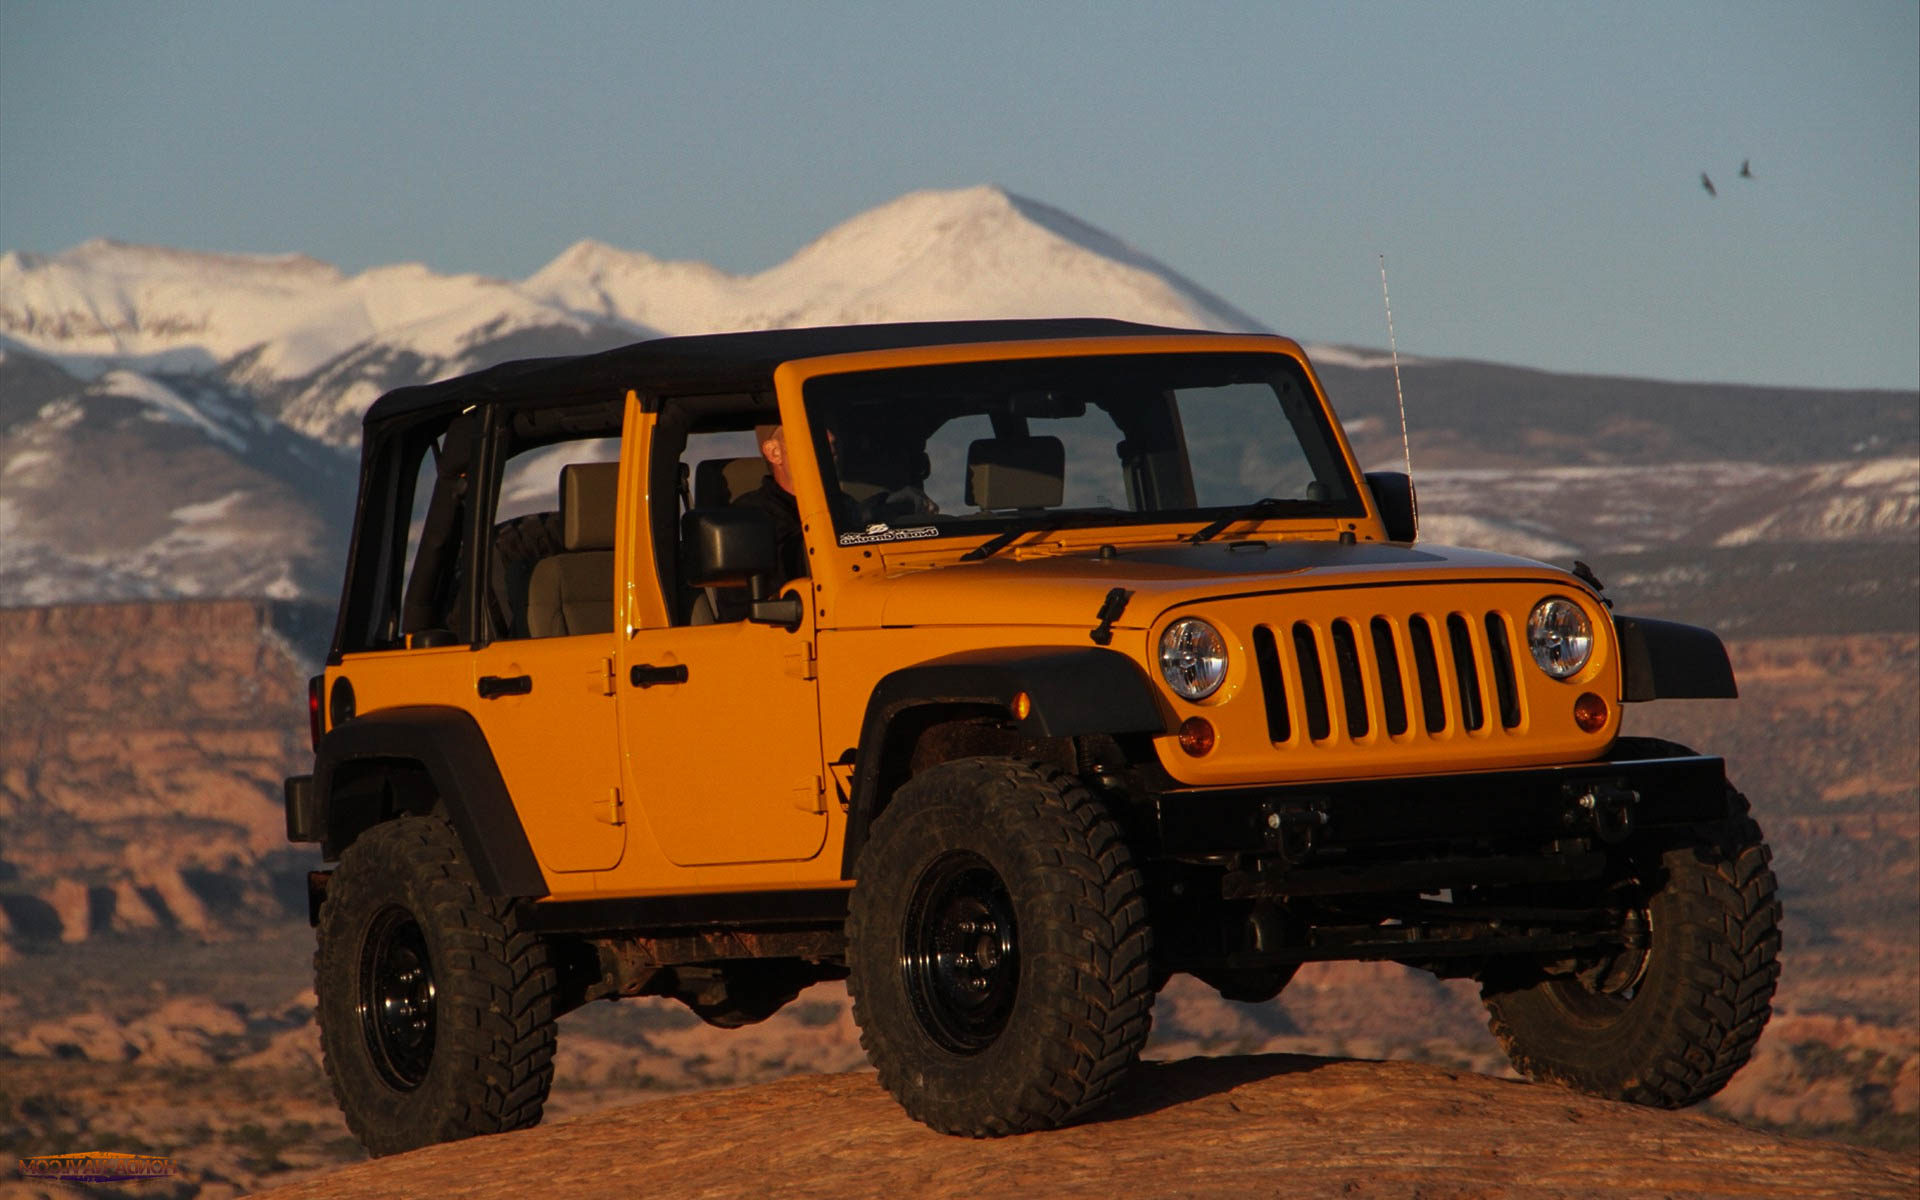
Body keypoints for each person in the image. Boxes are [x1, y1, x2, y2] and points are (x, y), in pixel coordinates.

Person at [732, 423, 808, 584]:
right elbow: (738, 603)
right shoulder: (746, 519)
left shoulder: (851, 510)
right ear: (775, 452)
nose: (831, 438)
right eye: (812, 433)